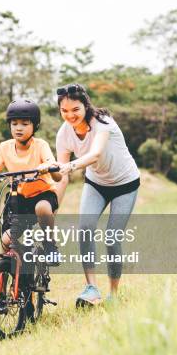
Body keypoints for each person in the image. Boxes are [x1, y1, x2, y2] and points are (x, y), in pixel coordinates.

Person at [49, 84, 140, 306]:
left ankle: (114, 295)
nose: (70, 115)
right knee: (85, 228)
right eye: (64, 111)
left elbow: (95, 153)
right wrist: (52, 207)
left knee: (112, 236)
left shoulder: (103, 123)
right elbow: (62, 176)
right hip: (96, 183)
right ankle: (91, 288)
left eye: (75, 110)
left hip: (125, 183)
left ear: (85, 106)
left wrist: (68, 166)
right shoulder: (64, 134)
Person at [0, 99, 62, 264]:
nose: (19, 128)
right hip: (18, 199)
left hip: (43, 195)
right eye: (14, 123)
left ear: (35, 126)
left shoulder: (41, 145)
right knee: (6, 241)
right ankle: (2, 282)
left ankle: (50, 246)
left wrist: (47, 166)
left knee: (42, 208)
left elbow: (56, 171)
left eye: (25, 124)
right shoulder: (4, 147)